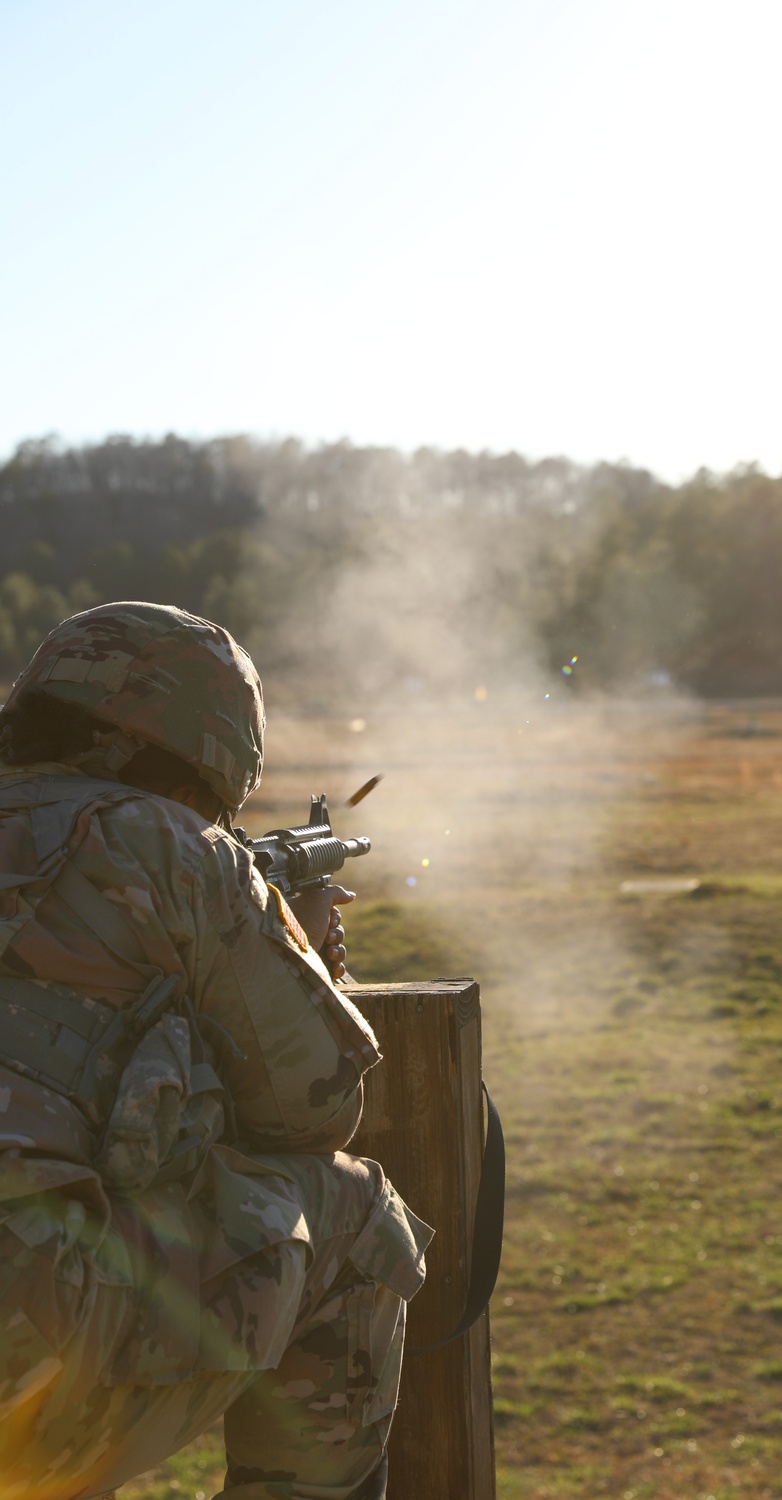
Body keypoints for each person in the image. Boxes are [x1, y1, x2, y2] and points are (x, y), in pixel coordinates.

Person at [0, 601, 431, 1500]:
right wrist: (300, 954)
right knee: (357, 1218)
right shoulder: (174, 849)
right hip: (23, 1358)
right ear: (210, 754)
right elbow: (312, 1108)